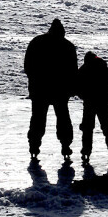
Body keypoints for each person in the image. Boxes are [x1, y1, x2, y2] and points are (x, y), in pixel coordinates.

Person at [24, 19, 77, 162]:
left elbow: (28, 66)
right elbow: (73, 72)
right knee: (63, 119)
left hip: (39, 90)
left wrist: (34, 81)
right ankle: (66, 145)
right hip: (60, 91)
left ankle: (34, 146)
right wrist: (72, 89)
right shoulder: (68, 46)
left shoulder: (36, 42)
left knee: (37, 119)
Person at [77, 51, 108, 163]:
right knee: (106, 124)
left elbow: (78, 85)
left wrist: (84, 96)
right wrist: (105, 94)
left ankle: (86, 151)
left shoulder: (84, 69)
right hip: (104, 101)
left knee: (87, 127)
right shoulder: (104, 68)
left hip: (89, 102)